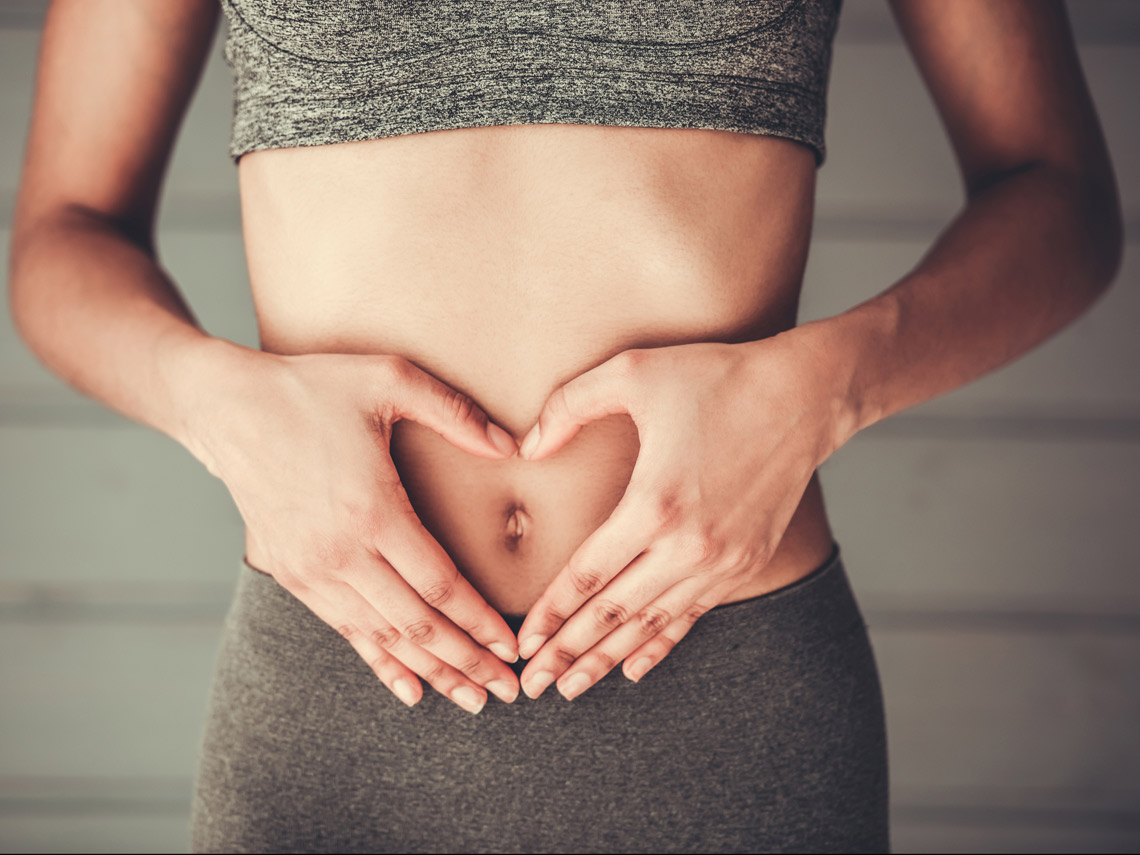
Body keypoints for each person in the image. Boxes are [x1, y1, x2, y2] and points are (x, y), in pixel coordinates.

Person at [8, 0, 1122, 852]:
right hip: (340, 694)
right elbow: (67, 229)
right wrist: (219, 406)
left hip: (727, 697)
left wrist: (828, 387)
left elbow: (1057, 193)